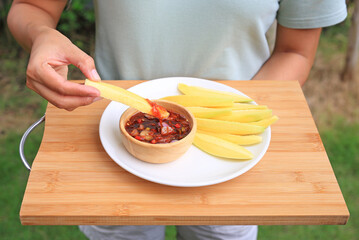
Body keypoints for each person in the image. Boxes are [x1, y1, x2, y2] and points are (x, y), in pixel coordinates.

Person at [8, 0, 347, 239]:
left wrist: (236, 117)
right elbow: (33, 7)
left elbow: (296, 52)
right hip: (113, 146)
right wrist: (41, 35)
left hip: (226, 160)